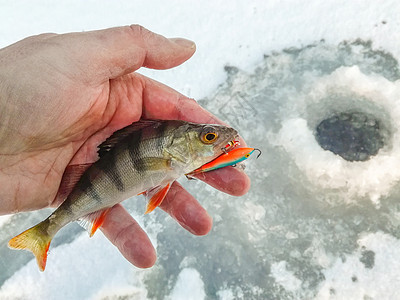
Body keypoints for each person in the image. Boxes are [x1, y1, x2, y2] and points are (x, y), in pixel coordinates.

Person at [0, 25, 250, 268]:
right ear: (177, 146)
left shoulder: (172, 158)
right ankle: (43, 232)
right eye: (207, 137)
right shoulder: (168, 156)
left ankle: (44, 232)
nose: (216, 141)